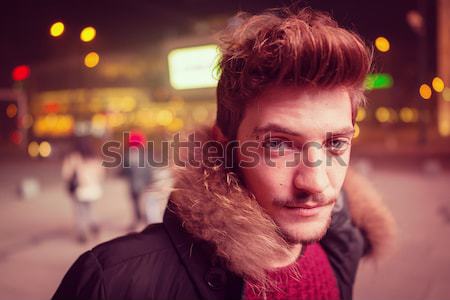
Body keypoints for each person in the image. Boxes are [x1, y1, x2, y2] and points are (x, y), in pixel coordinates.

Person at [53, 7, 396, 300]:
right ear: (225, 144)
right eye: (277, 144)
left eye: (336, 143)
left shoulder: (342, 244)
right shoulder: (113, 283)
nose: (317, 183)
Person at [62, 137, 105, 243]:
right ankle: (94, 224)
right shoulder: (96, 158)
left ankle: (82, 234)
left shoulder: (73, 158)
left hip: (80, 189)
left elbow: (66, 175)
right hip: (94, 189)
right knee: (90, 208)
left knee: (79, 212)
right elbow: (101, 174)